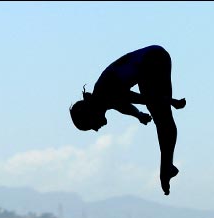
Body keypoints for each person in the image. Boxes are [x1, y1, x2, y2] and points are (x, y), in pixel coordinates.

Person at [70, 45, 186, 195]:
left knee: (163, 118)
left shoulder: (104, 93)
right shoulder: (103, 98)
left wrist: (169, 101)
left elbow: (136, 98)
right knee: (163, 118)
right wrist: (139, 115)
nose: (96, 129)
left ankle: (165, 169)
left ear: (90, 114)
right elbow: (124, 106)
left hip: (151, 60)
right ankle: (167, 167)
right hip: (157, 56)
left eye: (91, 126)